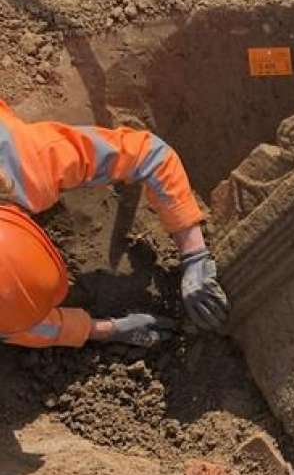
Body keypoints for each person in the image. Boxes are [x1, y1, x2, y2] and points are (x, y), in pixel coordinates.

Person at [0, 100, 229, 348]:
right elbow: (16, 324)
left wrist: (194, 253)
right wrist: (105, 330)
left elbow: (150, 154)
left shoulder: (29, 161)